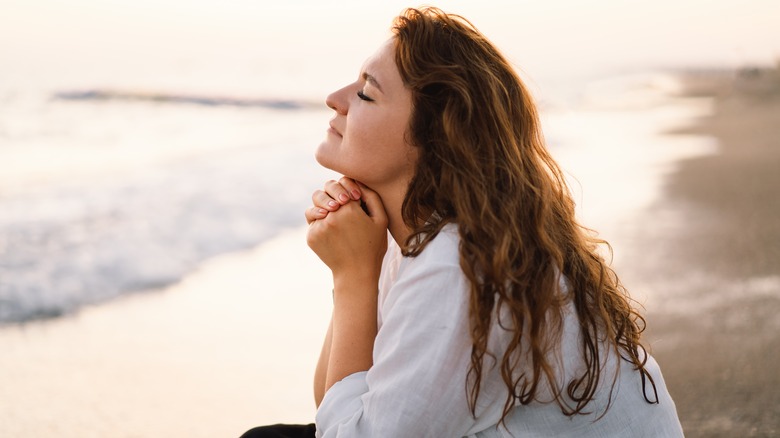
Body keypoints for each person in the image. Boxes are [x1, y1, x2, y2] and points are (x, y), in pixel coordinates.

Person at [241, 6, 683, 438]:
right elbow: (335, 406)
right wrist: (355, 270)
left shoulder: (460, 264)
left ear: (436, 139)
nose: (335, 99)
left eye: (366, 94)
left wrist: (353, 275)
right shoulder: (418, 234)